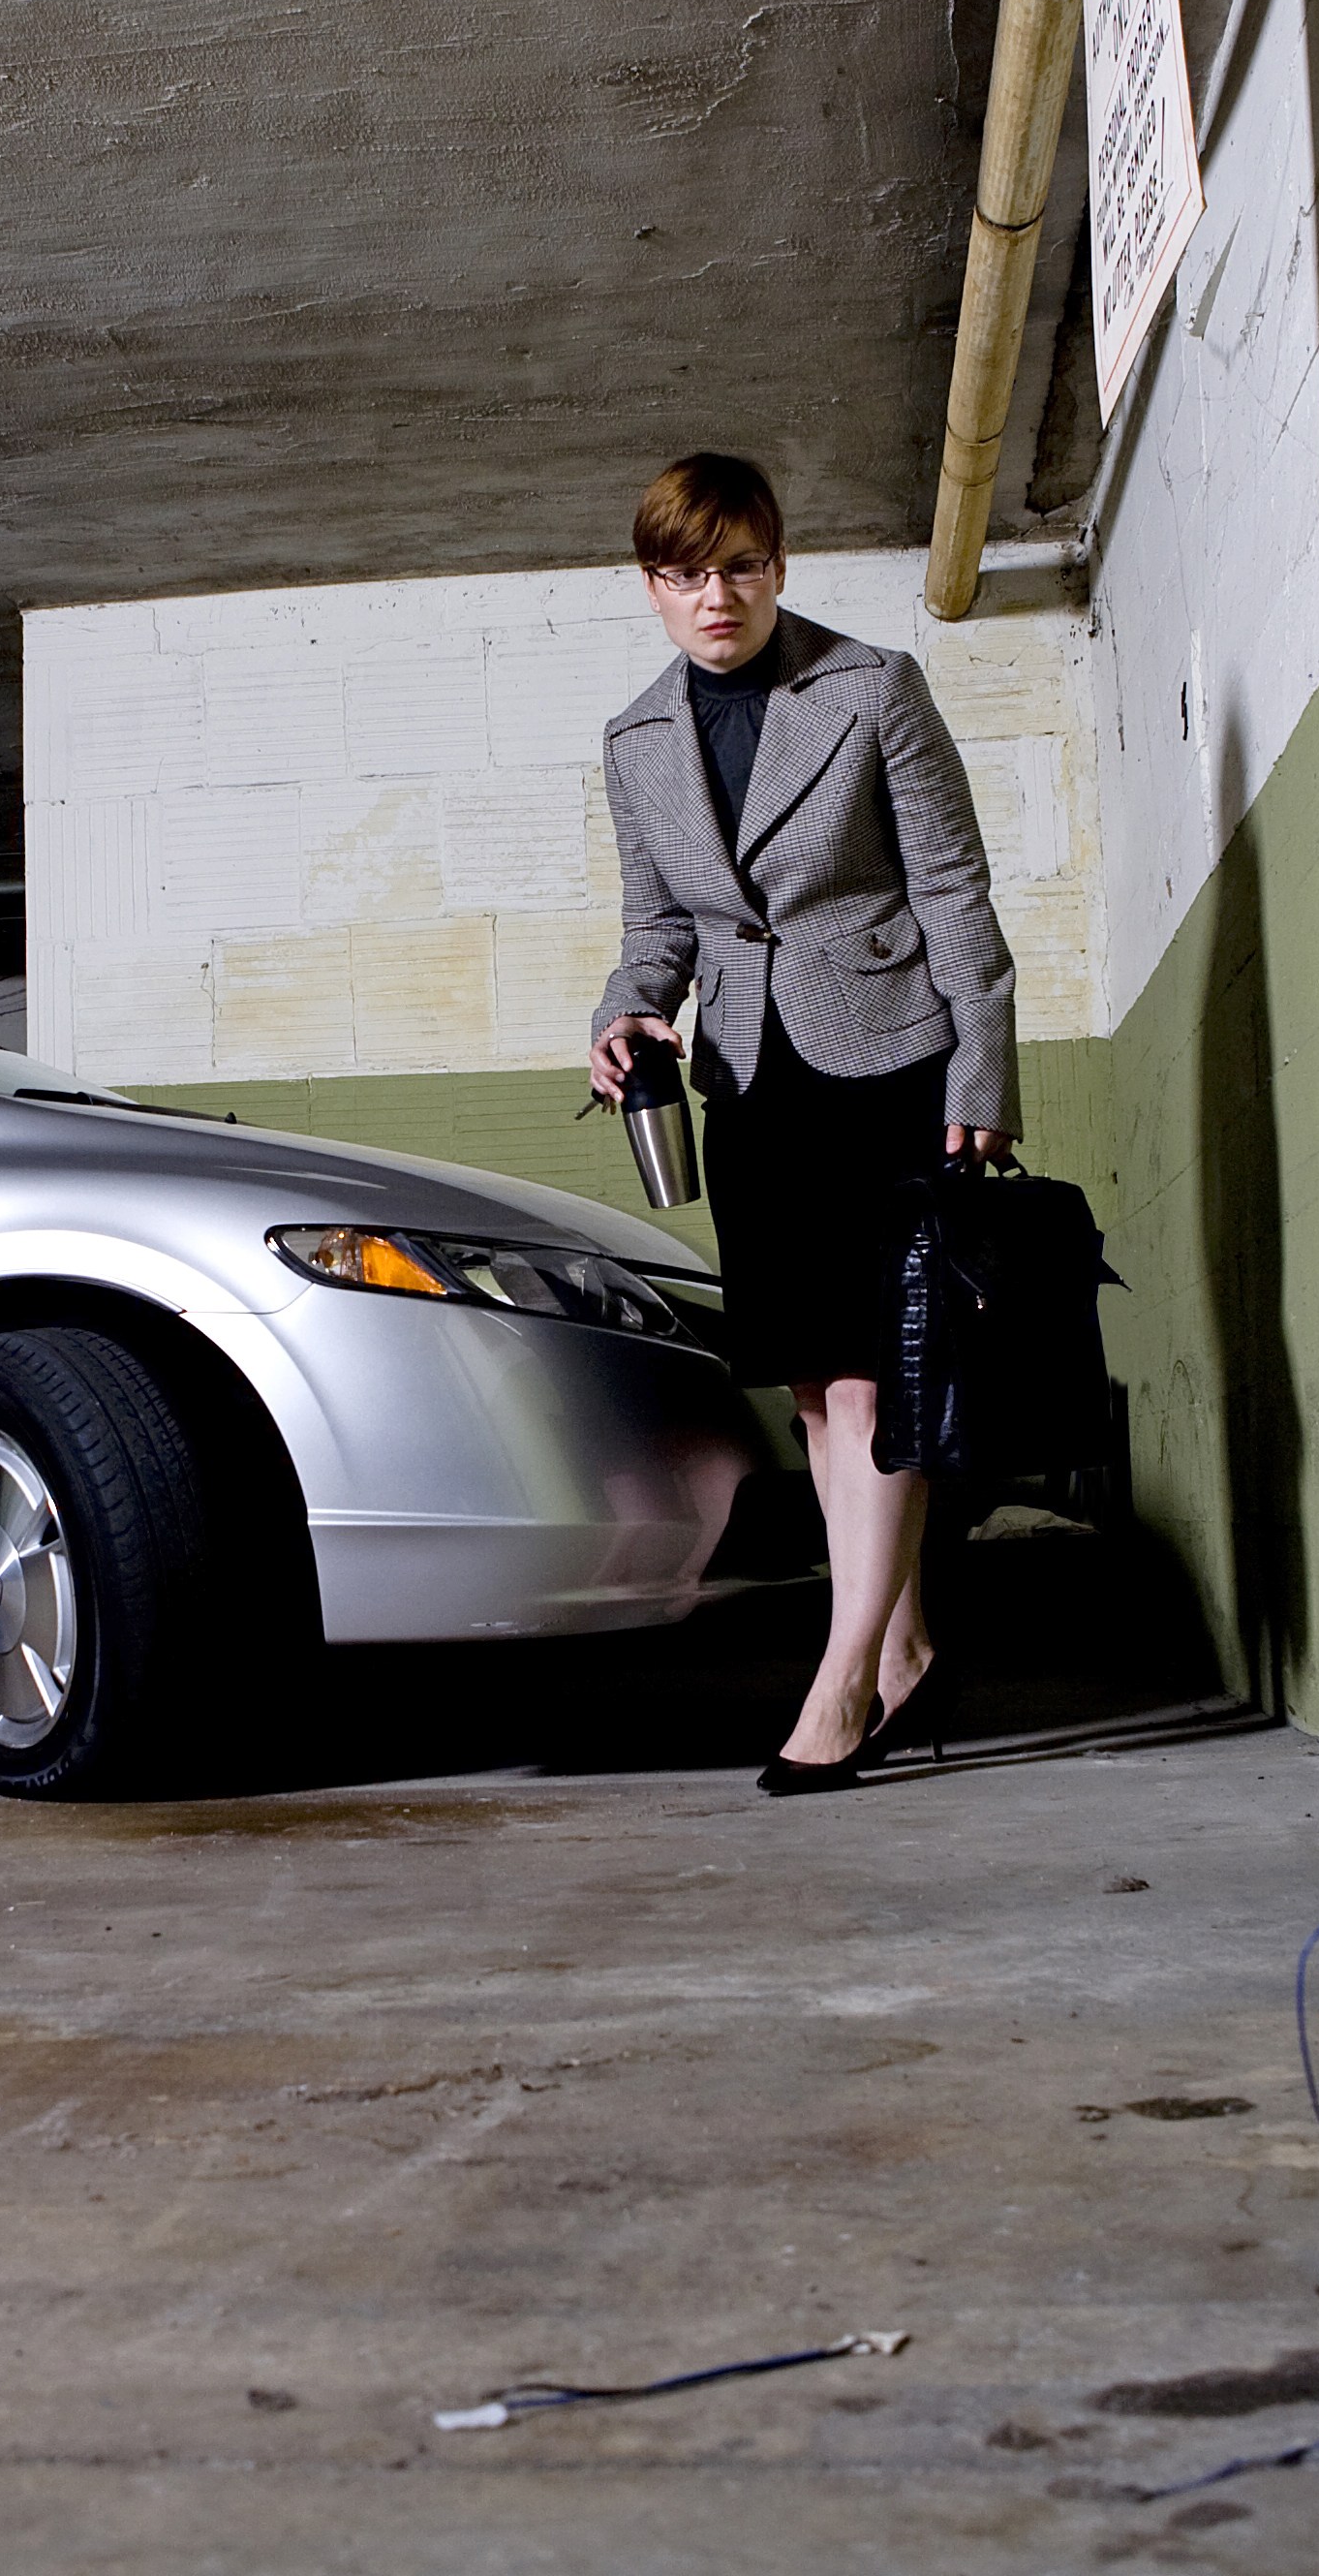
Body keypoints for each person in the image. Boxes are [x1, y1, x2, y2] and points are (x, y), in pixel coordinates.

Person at [589, 452, 1018, 1796]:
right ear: (652, 588)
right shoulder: (636, 740)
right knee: (812, 1395)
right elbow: (657, 930)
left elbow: (955, 891)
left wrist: (983, 1085)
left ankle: (838, 1689)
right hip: (748, 1079)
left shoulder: (872, 686)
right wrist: (621, 1016)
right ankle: (902, 1645)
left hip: (889, 1061)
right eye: (684, 575)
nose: (714, 597)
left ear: (777, 566)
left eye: (739, 568)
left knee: (871, 1378)